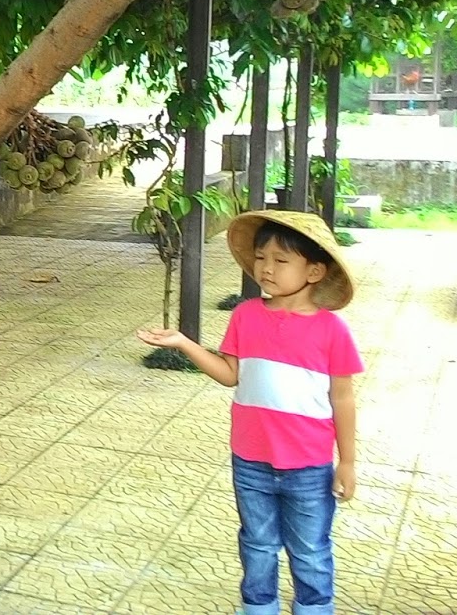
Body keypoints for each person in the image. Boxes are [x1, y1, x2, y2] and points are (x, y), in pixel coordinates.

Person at [136, 210, 362, 615]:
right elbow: (230, 374)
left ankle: (313, 608)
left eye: (280, 260)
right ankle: (258, 607)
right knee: (256, 543)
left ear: (313, 271)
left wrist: (346, 462)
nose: (266, 268)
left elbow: (342, 398)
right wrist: (185, 343)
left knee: (309, 549)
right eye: (261, 257)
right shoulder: (246, 315)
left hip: (308, 467)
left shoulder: (332, 331)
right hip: (251, 462)